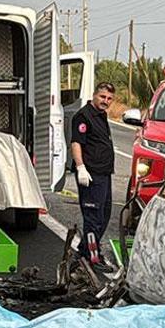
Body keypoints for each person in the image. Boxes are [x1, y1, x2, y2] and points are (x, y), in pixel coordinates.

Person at [70, 82, 116, 270]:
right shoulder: (84, 116)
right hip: (91, 174)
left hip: (104, 174)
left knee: (104, 215)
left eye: (109, 99)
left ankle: (84, 251)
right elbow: (76, 143)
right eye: (103, 97)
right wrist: (81, 167)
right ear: (95, 95)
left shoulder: (101, 115)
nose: (106, 101)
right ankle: (92, 258)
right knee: (93, 217)